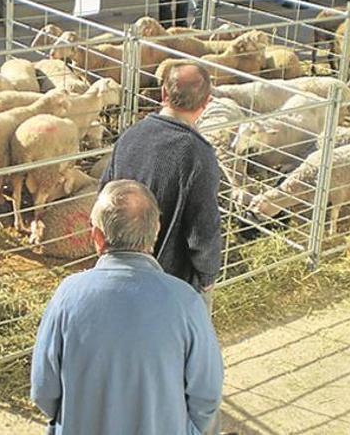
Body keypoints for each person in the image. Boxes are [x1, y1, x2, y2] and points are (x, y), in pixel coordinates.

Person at [31, 180, 224, 435]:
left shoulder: (68, 296)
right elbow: (207, 393)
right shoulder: (186, 302)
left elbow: (43, 389)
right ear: (156, 232)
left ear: (97, 237)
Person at [100, 62, 221, 297]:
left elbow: (104, 198)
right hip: (171, 284)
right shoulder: (199, 155)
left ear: (163, 93)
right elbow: (203, 227)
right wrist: (207, 276)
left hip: (121, 274)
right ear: (206, 103)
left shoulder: (130, 136)